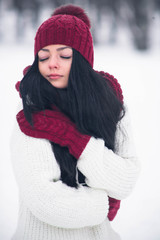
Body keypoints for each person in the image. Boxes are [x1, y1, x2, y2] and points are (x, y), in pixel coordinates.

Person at [10, 4, 140, 240]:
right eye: (44, 55)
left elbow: (126, 180)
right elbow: (47, 202)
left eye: (64, 54)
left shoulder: (112, 106)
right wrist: (103, 201)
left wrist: (77, 140)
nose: (52, 63)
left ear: (82, 59)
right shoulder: (32, 110)